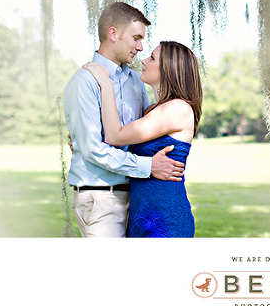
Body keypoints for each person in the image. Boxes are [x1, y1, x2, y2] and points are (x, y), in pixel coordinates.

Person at [63, 2, 185, 238]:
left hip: (138, 196)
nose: (140, 47)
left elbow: (143, 134)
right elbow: (93, 150)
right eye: (136, 38)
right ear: (113, 34)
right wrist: (149, 166)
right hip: (101, 198)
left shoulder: (136, 81)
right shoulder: (84, 82)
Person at [82, 40, 202, 237]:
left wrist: (105, 83)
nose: (144, 60)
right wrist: (84, 139)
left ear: (169, 69)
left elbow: (115, 136)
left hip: (165, 219)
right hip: (140, 216)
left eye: (152, 58)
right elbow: (121, 144)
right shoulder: (152, 110)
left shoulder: (178, 108)